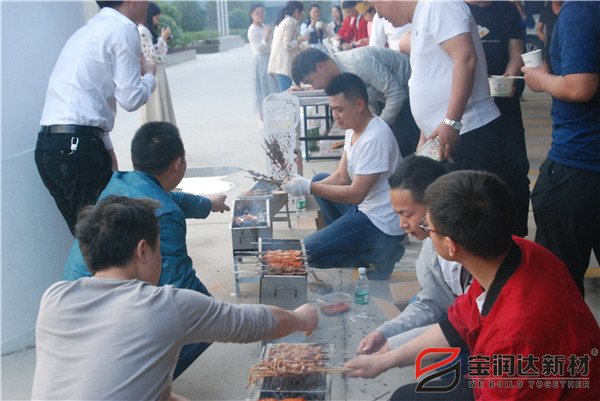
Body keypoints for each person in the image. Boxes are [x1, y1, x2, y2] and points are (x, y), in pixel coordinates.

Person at [31, 196, 318, 401]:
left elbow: (123, 384)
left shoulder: (54, 298)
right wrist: (299, 318)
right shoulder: (164, 306)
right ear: (143, 251)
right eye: (160, 249)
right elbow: (251, 323)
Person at [345, 170, 600, 401]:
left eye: (427, 226)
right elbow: (457, 325)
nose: (422, 230)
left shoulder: (516, 336)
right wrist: (385, 360)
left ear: (451, 246)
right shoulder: (513, 254)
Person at [62, 121, 230, 379]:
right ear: (178, 163)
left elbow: (169, 198)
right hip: (100, 328)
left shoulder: (123, 182)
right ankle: (138, 383)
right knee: (205, 319)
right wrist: (229, 317)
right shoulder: (164, 216)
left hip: (74, 311)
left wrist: (208, 204)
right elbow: (181, 286)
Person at [372, 2, 524, 234]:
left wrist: (452, 121)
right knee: (456, 223)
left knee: (473, 223)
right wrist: (425, 135)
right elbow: (434, 77)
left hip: (470, 132)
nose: (378, 14)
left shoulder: (439, 5)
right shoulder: (421, 16)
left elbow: (465, 58)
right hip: (446, 136)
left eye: (375, 4)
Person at [34, 0, 156, 234]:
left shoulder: (87, 31)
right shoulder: (124, 29)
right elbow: (131, 99)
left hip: (50, 147)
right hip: (78, 149)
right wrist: (150, 76)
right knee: (104, 238)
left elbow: (85, 97)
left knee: (86, 239)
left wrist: (105, 147)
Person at [283, 73, 406, 280]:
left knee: (307, 254)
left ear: (359, 105)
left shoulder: (375, 138)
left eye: (339, 109)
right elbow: (342, 177)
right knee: (320, 179)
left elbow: (356, 194)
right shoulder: (354, 128)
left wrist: (308, 187)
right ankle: (348, 241)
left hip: (380, 223)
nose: (335, 116)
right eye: (332, 109)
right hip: (364, 209)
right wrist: (307, 184)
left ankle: (381, 255)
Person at [522, 1, 599, 296]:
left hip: (580, 162)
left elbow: (580, 87)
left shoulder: (580, 9)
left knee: (558, 284)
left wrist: (541, 79)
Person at [358, 155, 472, 354]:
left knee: (447, 362)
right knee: (417, 305)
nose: (402, 224)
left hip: (482, 333)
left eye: (407, 215)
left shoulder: (475, 254)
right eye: (398, 214)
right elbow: (430, 302)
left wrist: (396, 348)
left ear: (435, 204)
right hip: (460, 318)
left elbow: (466, 324)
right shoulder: (431, 246)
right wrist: (384, 333)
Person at [466, 0, 530, 237]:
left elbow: (516, 52)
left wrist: (510, 75)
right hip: (471, 109)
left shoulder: (507, 9)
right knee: (477, 176)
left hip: (504, 103)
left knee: (515, 171)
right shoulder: (453, 7)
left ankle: (516, 237)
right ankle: (482, 236)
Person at [292, 47, 420, 157]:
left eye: (311, 81)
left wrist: (376, 127)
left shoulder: (358, 64)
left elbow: (397, 93)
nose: (314, 87)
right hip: (389, 97)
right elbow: (368, 100)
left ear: (321, 66)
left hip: (410, 92)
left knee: (401, 147)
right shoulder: (337, 73)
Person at [138, 2, 176, 125]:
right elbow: (152, 54)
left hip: (156, 72)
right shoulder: (142, 31)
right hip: (152, 73)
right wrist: (163, 38)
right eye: (156, 18)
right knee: (156, 107)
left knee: (159, 105)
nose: (157, 21)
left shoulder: (145, 31)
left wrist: (162, 40)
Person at [267, 1, 310, 91]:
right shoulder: (290, 22)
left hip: (279, 64)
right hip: (283, 65)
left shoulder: (283, 21)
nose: (302, 16)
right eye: (302, 13)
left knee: (286, 93)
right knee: (287, 95)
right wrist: (302, 39)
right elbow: (288, 44)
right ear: (297, 11)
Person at [247, 3, 279, 125]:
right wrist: (267, 35)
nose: (260, 15)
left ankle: (273, 115)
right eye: (257, 13)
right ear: (252, 15)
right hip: (261, 59)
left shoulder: (264, 26)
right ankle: (263, 119)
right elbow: (259, 48)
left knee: (272, 87)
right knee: (262, 88)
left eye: (262, 12)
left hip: (269, 57)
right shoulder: (252, 30)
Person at [537, 1, 563, 66]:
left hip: (564, 42)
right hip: (550, 43)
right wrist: (541, 35)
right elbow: (539, 28)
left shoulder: (567, 9)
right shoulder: (545, 10)